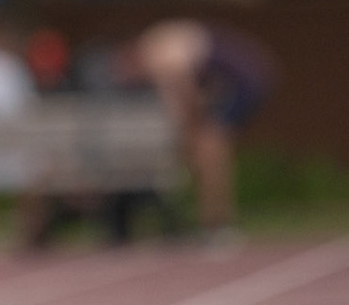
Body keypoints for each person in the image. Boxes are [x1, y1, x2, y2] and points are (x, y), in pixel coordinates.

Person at [116, 18, 275, 240]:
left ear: (129, 56)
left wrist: (187, 140)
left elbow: (185, 102)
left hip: (240, 80)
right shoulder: (158, 44)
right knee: (208, 148)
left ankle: (217, 222)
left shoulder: (158, 58)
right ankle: (215, 221)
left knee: (210, 150)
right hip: (236, 75)